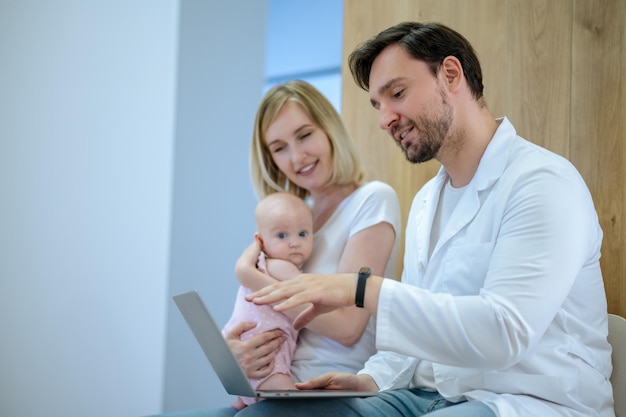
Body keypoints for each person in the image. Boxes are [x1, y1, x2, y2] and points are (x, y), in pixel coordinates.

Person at [242, 21, 615, 417]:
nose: (385, 119)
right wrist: (370, 380)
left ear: (451, 74)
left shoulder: (541, 183)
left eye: (397, 94)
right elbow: (415, 337)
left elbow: (504, 333)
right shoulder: (425, 202)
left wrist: (361, 288)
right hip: (424, 396)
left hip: (528, 402)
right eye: (378, 106)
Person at [144, 79, 402, 417]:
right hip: (274, 388)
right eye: (279, 147)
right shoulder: (295, 218)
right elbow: (261, 315)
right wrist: (236, 354)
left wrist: (250, 277)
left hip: (328, 389)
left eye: (305, 135)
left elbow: (347, 328)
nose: (297, 157)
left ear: (330, 129)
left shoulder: (371, 199)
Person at [222, 192, 314, 409]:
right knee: (290, 402)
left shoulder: (259, 268)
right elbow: (311, 293)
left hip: (247, 351)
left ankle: (242, 403)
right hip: (267, 357)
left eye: (302, 234)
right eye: (282, 236)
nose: (294, 243)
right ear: (261, 241)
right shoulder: (280, 267)